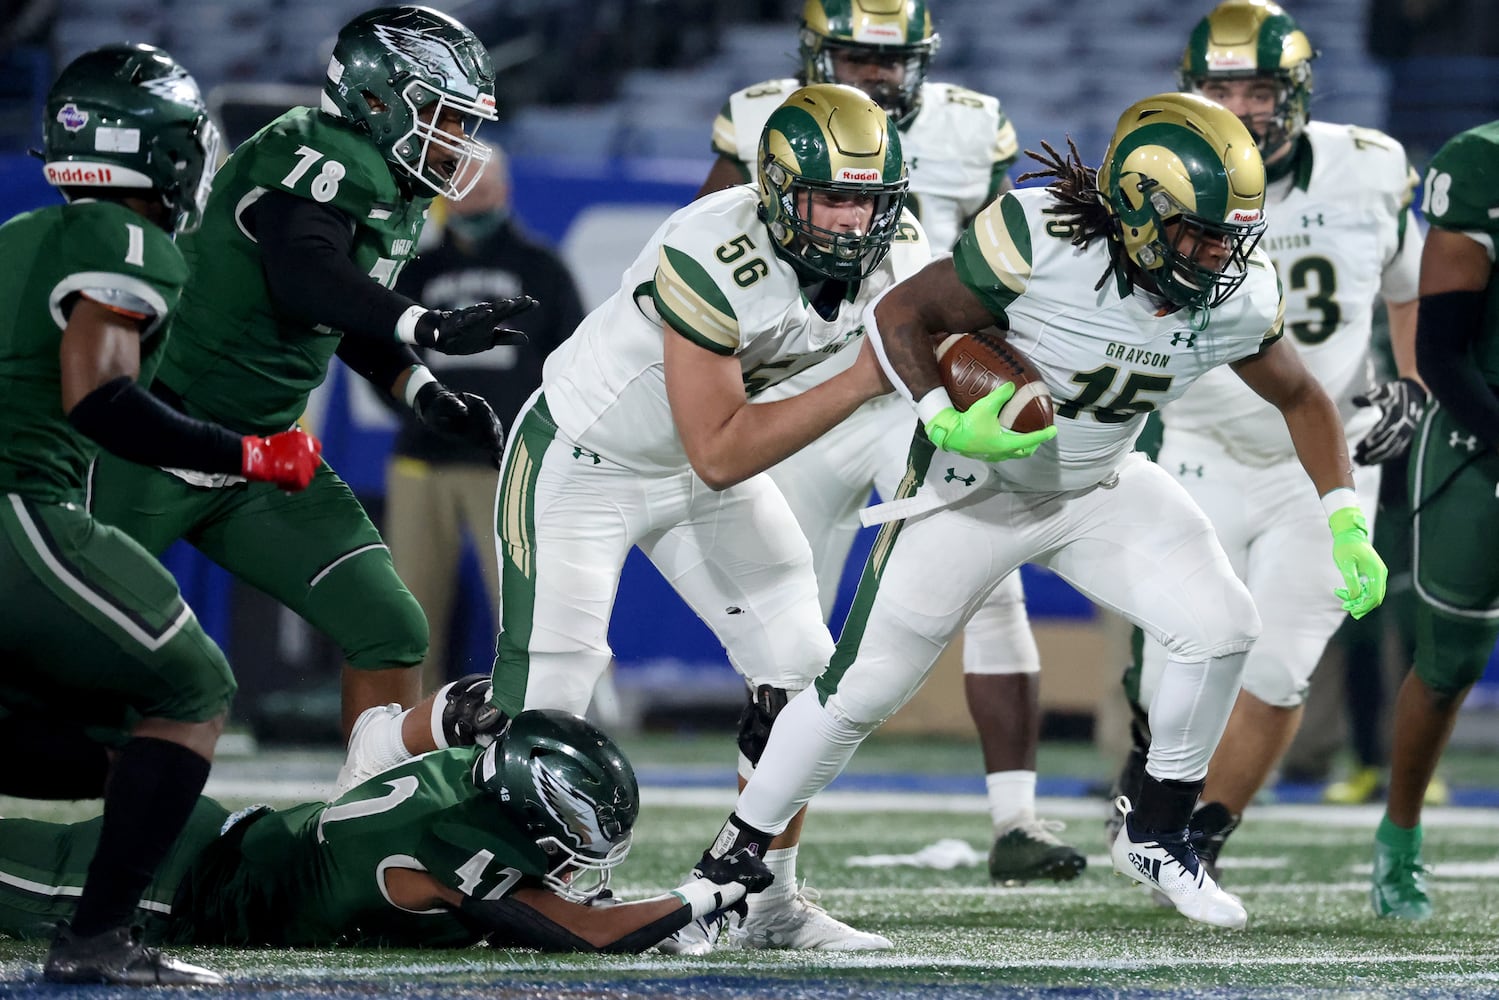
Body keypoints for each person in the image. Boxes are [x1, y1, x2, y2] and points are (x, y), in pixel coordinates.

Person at [687, 91, 1389, 933]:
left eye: (1227, 236)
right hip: (971, 492)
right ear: (1136, 210)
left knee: (1223, 625)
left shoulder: (1235, 295)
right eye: (1194, 233)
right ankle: (728, 867)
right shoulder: (1037, 238)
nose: (1214, 257)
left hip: (1100, 486)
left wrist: (1342, 514)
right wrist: (936, 415)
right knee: (856, 692)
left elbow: (1304, 398)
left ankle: (1158, 831)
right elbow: (900, 314)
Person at [344, 82, 933, 951]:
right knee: (544, 702)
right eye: (831, 197)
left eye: (867, 200)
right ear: (775, 190)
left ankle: (767, 901)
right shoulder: (710, 247)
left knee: (801, 667)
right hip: (586, 459)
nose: (852, 222)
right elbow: (722, 450)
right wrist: (866, 377)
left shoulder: (901, 248)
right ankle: (394, 736)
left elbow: (957, 328)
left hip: (694, 465)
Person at [696, 0, 1083, 888]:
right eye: (854, 57)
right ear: (814, 54)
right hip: (800, 396)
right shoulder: (761, 116)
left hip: (921, 393)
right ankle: (761, 848)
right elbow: (709, 249)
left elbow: (1004, 264)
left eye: (891, 59)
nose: (875, 75)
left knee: (991, 587)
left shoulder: (969, 125)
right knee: (786, 631)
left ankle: (1015, 819)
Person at [85, 5, 534, 746]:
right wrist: (427, 323)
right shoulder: (312, 151)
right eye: (443, 116)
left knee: (388, 625)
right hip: (161, 433)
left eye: (461, 121)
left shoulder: (393, 188)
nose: (456, 139)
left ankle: (369, 806)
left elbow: (345, 317)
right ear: (378, 99)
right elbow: (304, 275)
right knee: (63, 639)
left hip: (263, 453)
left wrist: (426, 393)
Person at [0, 44, 322, 985]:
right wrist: (249, 453)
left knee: (84, 722)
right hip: (20, 504)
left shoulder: (26, 232)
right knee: (191, 686)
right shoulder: (124, 239)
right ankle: (97, 939)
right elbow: (101, 399)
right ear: (164, 150)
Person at [1110, 0, 1424, 884]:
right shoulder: (1161, 173)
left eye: (1258, 87)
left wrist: (1410, 376)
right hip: (1200, 438)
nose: (1241, 106)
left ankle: (1195, 840)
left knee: (1280, 664)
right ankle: (1151, 785)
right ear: (1190, 92)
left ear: (1295, 92)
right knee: (1173, 655)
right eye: (1220, 87)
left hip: (1325, 458)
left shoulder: (1368, 168)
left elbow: (1406, 285)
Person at [0, 711, 764, 953]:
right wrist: (706, 890)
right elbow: (581, 932)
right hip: (165, 889)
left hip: (222, 838)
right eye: (569, 840)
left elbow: (377, 738)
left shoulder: (467, 777)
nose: (574, 863)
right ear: (524, 816)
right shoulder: (434, 857)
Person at [385, 145, 585, 694]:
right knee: (409, 612)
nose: (471, 188)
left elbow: (572, 361)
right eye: (460, 176)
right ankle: (406, 733)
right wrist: (422, 408)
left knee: (525, 606)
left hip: (507, 462)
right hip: (421, 460)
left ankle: (536, 716)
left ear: (506, 186)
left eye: (482, 177)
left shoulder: (541, 268)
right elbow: (381, 354)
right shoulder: (418, 270)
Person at [1370, 118, 1499, 920]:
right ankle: (1398, 840)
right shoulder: (1481, 163)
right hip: (1476, 431)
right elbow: (1443, 351)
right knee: (1449, 662)